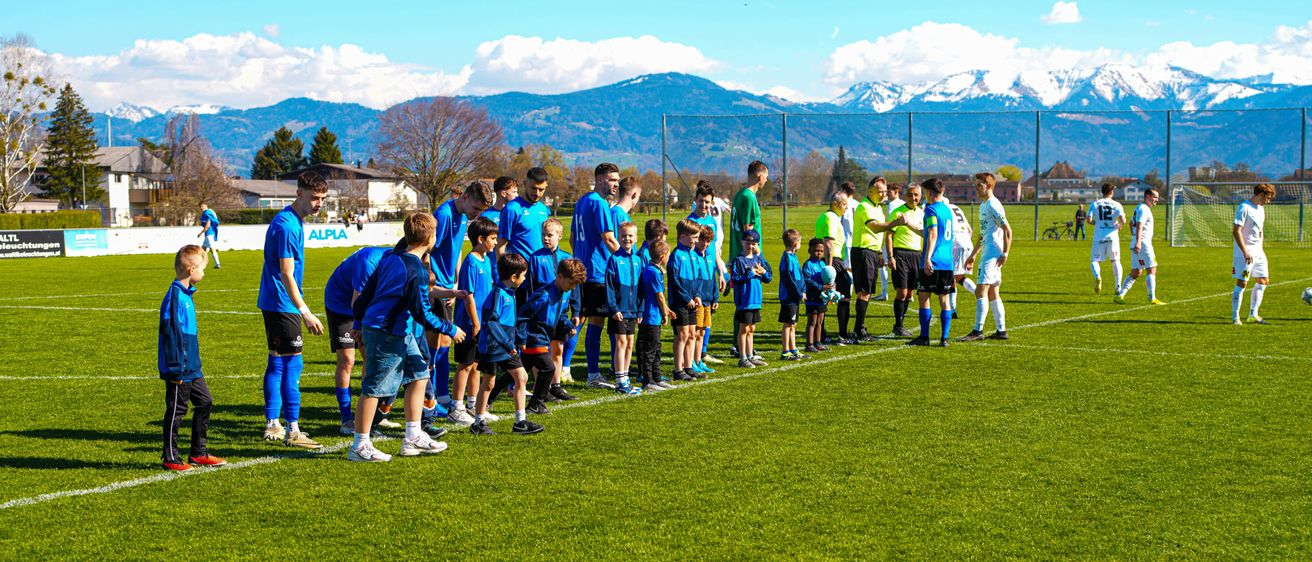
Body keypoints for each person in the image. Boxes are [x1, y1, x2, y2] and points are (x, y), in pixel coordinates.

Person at [348, 212, 465, 462]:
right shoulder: (416, 270)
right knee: (374, 388)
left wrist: (360, 319)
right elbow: (422, 312)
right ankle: (359, 445)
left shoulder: (391, 257)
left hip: (399, 330)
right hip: (386, 332)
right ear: (430, 238)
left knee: (420, 374)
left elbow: (365, 296)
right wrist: (451, 329)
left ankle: (412, 436)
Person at [258, 172, 328, 449]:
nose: (318, 203)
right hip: (283, 303)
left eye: (322, 199)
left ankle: (273, 424)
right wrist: (305, 311)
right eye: (314, 197)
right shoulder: (288, 226)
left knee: (277, 362)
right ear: (299, 193)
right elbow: (287, 273)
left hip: (274, 301)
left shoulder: (289, 220)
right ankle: (293, 430)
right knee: (291, 364)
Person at [426, 181, 495, 420]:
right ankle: (432, 400)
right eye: (476, 208)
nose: (477, 214)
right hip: (435, 288)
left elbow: (455, 252)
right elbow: (428, 251)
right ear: (465, 197)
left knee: (445, 342)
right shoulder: (444, 215)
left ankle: (442, 397)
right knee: (434, 346)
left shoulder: (464, 217)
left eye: (481, 211)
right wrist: (433, 285)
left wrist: (455, 285)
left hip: (448, 288)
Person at [158, 245, 224, 471]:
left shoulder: (186, 294)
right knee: (177, 410)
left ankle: (198, 452)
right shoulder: (175, 296)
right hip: (179, 367)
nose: (204, 273)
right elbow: (171, 334)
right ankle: (170, 457)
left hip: (192, 366)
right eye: (202, 269)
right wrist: (176, 367)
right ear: (191, 269)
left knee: (205, 402)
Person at [470, 253, 544, 436]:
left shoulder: (510, 292)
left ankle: (520, 422)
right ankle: (478, 422)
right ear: (513, 276)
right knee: (489, 383)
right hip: (493, 346)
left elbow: (510, 321)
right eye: (523, 275)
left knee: (521, 377)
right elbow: (492, 322)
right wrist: (506, 343)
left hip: (506, 346)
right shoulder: (498, 294)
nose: (525, 278)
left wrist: (517, 340)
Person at [323, 245, 390, 435]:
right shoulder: (369, 261)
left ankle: (370, 414)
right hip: (340, 305)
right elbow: (357, 302)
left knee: (371, 358)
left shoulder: (396, 261)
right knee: (347, 360)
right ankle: (346, 418)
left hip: (365, 306)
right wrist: (359, 327)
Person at [573, 163, 621, 389]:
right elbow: (609, 239)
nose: (616, 184)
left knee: (579, 319)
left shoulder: (582, 201)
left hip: (581, 270)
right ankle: (593, 374)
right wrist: (626, 260)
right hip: (596, 272)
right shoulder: (600, 203)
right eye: (612, 180)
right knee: (596, 321)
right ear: (600, 179)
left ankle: (564, 367)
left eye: (617, 180)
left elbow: (572, 238)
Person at [447, 217, 499, 426]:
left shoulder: (486, 260)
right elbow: (468, 296)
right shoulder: (470, 262)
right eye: (493, 238)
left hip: (483, 322)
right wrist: (475, 323)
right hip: (469, 324)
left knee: (477, 365)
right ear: (480, 239)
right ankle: (456, 407)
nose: (496, 242)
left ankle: (473, 404)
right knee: (465, 365)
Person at [521, 258, 588, 415]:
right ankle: (535, 404)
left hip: (543, 336)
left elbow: (562, 313)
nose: (573, 288)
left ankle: (489, 400)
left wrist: (568, 326)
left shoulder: (563, 291)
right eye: (571, 284)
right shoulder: (545, 294)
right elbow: (524, 314)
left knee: (516, 372)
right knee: (548, 368)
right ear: (560, 277)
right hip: (534, 337)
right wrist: (521, 337)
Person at [525, 218, 580, 397]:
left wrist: (576, 310)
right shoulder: (535, 258)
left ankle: (556, 386)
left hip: (561, 312)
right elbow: (531, 287)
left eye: (549, 235)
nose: (546, 238)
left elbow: (575, 287)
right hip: (542, 312)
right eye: (543, 235)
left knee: (558, 349)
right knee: (542, 350)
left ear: (559, 236)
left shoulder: (567, 258)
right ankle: (543, 388)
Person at [960, 173, 1013, 342]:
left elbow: (1008, 231)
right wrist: (973, 255)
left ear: (989, 186)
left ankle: (977, 330)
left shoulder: (993, 205)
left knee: (980, 291)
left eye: (979, 185)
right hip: (988, 252)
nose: (976, 188)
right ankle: (1001, 331)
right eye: (976, 185)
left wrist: (1005, 254)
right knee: (993, 292)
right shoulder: (984, 204)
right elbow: (983, 234)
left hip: (992, 254)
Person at [907, 178, 955, 347]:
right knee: (945, 300)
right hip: (947, 262)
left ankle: (924, 337)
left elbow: (933, 233)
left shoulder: (930, 209)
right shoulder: (948, 210)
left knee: (924, 296)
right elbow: (930, 232)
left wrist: (927, 257)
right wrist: (909, 224)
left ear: (929, 192)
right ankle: (944, 339)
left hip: (933, 260)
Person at [688, 181, 729, 364]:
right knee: (696, 319)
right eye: (701, 201)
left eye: (707, 202)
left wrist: (721, 272)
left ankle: (702, 353)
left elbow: (714, 251)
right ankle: (692, 357)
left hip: (710, 274)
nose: (704, 205)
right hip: (696, 277)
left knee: (708, 315)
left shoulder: (712, 222)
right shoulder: (690, 222)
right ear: (695, 200)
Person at [729, 160, 767, 355]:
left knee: (742, 302)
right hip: (746, 257)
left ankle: (740, 345)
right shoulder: (749, 198)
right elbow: (748, 231)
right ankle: (740, 346)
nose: (766, 181)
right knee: (746, 302)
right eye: (766, 177)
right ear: (760, 176)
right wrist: (755, 253)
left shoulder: (739, 194)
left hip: (738, 254)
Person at [851, 177, 892, 340]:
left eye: (885, 191)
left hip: (872, 252)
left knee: (867, 291)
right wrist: (895, 223)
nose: (883, 195)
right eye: (880, 191)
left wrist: (880, 252)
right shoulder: (864, 206)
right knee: (864, 291)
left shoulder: (878, 208)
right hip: (863, 251)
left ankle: (859, 328)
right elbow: (874, 227)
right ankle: (858, 330)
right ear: (870, 191)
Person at [605, 222, 643, 394]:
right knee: (620, 343)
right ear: (618, 238)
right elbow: (609, 287)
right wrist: (613, 308)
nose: (627, 239)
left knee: (629, 343)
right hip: (619, 311)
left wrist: (640, 310)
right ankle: (620, 381)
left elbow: (640, 288)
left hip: (633, 310)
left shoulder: (638, 260)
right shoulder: (614, 259)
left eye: (630, 236)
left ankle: (625, 378)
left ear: (636, 238)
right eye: (623, 236)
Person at [1232, 183, 1276, 325]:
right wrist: (1245, 251)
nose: (1268, 201)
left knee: (1263, 280)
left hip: (1258, 251)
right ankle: (1235, 318)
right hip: (1245, 252)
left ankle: (1253, 315)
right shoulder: (1244, 207)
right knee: (1242, 283)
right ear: (1261, 195)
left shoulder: (1261, 208)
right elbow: (1236, 230)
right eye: (1268, 198)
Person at [636, 240, 675, 392]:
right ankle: (648, 380)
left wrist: (666, 309)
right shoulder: (652, 271)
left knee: (657, 347)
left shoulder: (653, 269)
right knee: (650, 350)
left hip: (654, 315)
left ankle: (657, 378)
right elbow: (659, 296)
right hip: (650, 316)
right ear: (662, 257)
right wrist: (664, 313)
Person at [886, 184, 924, 337]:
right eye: (910, 194)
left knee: (909, 293)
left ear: (920, 196)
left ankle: (900, 324)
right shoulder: (898, 212)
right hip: (900, 254)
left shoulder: (922, 213)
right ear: (905, 195)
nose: (913, 198)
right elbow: (889, 235)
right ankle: (898, 325)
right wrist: (890, 256)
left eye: (916, 195)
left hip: (917, 255)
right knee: (901, 291)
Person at [1115, 189, 1165, 305]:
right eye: (1155, 197)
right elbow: (1139, 225)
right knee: (1152, 269)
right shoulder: (1144, 209)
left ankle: (1120, 296)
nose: (1157, 200)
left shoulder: (1139, 207)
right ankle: (1152, 298)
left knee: (1136, 271)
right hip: (1143, 243)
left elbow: (1131, 223)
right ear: (1147, 196)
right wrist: (1138, 241)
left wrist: (1134, 239)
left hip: (1137, 242)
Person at [816, 191, 853, 345]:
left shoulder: (823, 216)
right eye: (844, 204)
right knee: (844, 296)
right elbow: (829, 244)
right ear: (836, 204)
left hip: (825, 261)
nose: (846, 207)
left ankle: (821, 335)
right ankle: (842, 335)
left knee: (823, 297)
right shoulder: (832, 218)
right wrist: (830, 270)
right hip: (833, 261)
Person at [731, 229, 772, 368]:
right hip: (745, 301)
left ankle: (750, 355)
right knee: (744, 329)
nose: (750, 245)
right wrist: (750, 273)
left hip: (756, 300)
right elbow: (735, 279)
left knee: (752, 328)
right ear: (742, 242)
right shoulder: (738, 260)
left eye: (753, 243)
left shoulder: (758, 259)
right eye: (747, 242)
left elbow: (768, 279)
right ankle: (742, 357)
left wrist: (763, 272)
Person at [668, 219, 702, 382]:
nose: (696, 240)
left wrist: (697, 295)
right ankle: (678, 369)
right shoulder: (676, 255)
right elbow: (674, 281)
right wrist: (686, 298)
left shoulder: (694, 255)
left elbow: (699, 277)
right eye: (694, 237)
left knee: (691, 334)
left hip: (692, 301)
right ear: (682, 237)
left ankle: (689, 367)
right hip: (679, 302)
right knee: (682, 335)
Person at [501, 167, 551, 263]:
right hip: (519, 269)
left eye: (541, 189)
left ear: (546, 186)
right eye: (533, 188)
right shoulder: (511, 209)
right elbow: (501, 245)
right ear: (525, 183)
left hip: (540, 267)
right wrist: (503, 270)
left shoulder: (543, 209)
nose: (537, 193)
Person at [689, 224, 718, 377]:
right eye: (702, 240)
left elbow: (713, 278)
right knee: (696, 331)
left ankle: (698, 359)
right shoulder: (693, 256)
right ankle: (692, 361)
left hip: (708, 300)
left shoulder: (710, 256)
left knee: (702, 331)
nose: (704, 244)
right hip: (699, 300)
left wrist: (715, 297)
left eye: (708, 241)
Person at [1088, 183, 1126, 294]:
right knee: (1115, 261)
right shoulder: (1117, 204)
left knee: (1095, 260)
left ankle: (1098, 276)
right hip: (1112, 236)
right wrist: (1119, 225)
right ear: (1111, 192)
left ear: (1102, 192)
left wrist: (1097, 223)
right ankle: (1118, 286)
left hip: (1099, 235)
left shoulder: (1094, 204)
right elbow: (1123, 221)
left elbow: (1089, 220)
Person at [777, 229, 808, 361]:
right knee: (788, 324)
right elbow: (789, 280)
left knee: (793, 324)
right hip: (789, 297)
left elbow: (800, 275)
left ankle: (793, 349)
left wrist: (803, 290)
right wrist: (798, 293)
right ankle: (785, 351)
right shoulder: (786, 258)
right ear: (796, 244)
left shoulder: (794, 257)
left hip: (796, 296)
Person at [943, 195, 976, 318]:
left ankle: (952, 310)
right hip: (967, 243)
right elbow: (970, 230)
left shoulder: (943, 210)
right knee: (960, 277)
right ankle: (979, 294)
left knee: (951, 278)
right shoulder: (956, 208)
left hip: (956, 244)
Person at [802, 238, 831, 354]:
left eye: (821, 251)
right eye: (816, 250)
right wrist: (820, 287)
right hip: (812, 297)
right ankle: (809, 344)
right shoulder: (807, 264)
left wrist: (830, 285)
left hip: (822, 298)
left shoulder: (822, 264)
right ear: (809, 250)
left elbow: (827, 277)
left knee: (820, 321)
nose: (819, 253)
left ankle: (818, 343)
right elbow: (807, 280)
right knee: (812, 321)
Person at [878, 184, 906, 301]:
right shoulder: (904, 203)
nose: (887, 194)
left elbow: (891, 223)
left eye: (889, 192)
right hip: (903, 239)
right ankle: (909, 293)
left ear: (896, 191)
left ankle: (884, 293)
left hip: (893, 237)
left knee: (881, 263)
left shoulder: (892, 205)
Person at [196, 203, 221, 269]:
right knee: (203, 249)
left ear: (206, 206)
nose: (201, 208)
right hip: (208, 234)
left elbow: (207, 226)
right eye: (200, 207)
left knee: (212, 249)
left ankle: (217, 264)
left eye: (202, 206)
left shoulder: (207, 213)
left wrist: (200, 233)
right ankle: (201, 264)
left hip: (209, 234)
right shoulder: (206, 212)